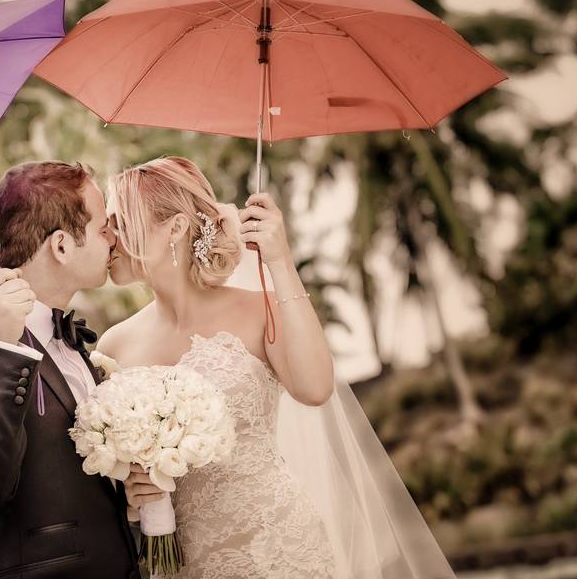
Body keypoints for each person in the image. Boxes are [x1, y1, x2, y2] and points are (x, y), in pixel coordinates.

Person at [101, 156, 457, 579]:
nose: (107, 237)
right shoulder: (114, 345)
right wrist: (131, 492)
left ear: (175, 229)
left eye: (119, 223)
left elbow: (314, 387)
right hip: (181, 562)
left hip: (277, 548)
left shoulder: (255, 311)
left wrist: (280, 261)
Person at [0, 161, 148, 579]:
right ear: (61, 246)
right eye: (101, 229)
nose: (113, 237)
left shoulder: (72, 339)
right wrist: (2, 345)